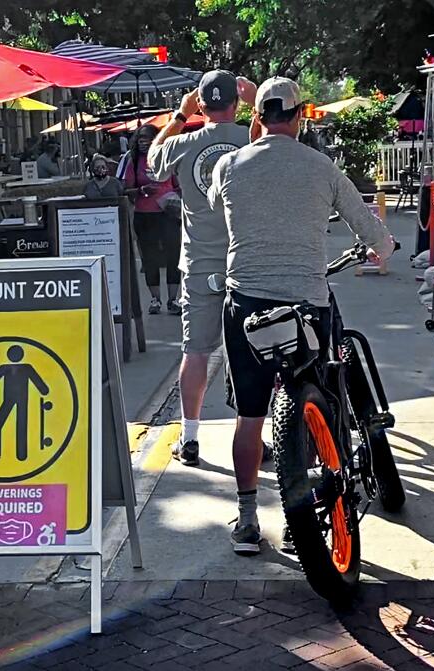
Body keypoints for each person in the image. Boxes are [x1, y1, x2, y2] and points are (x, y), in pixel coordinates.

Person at [208, 77, 394, 555]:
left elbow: (214, 204)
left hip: (245, 304)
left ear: (258, 118)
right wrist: (382, 248)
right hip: (306, 303)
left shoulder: (230, 165)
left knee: (250, 417)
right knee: (319, 403)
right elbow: (370, 228)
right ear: (299, 116)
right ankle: (305, 515)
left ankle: (247, 521)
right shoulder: (322, 167)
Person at [147, 70, 253, 467]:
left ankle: (190, 438)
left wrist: (179, 113)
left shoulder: (186, 141)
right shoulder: (250, 139)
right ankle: (259, 436)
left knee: (195, 352)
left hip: (199, 264)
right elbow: (284, 143)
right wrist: (258, 103)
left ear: (201, 105)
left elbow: (154, 163)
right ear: (236, 104)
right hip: (246, 261)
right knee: (254, 354)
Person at [122, 125, 182, 315]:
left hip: (168, 214)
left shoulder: (167, 159)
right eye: (139, 139)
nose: (142, 142)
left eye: (147, 138)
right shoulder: (133, 162)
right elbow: (126, 189)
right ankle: (155, 299)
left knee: (173, 256)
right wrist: (140, 191)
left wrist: (174, 197)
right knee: (150, 259)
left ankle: (173, 300)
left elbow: (178, 185)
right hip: (145, 215)